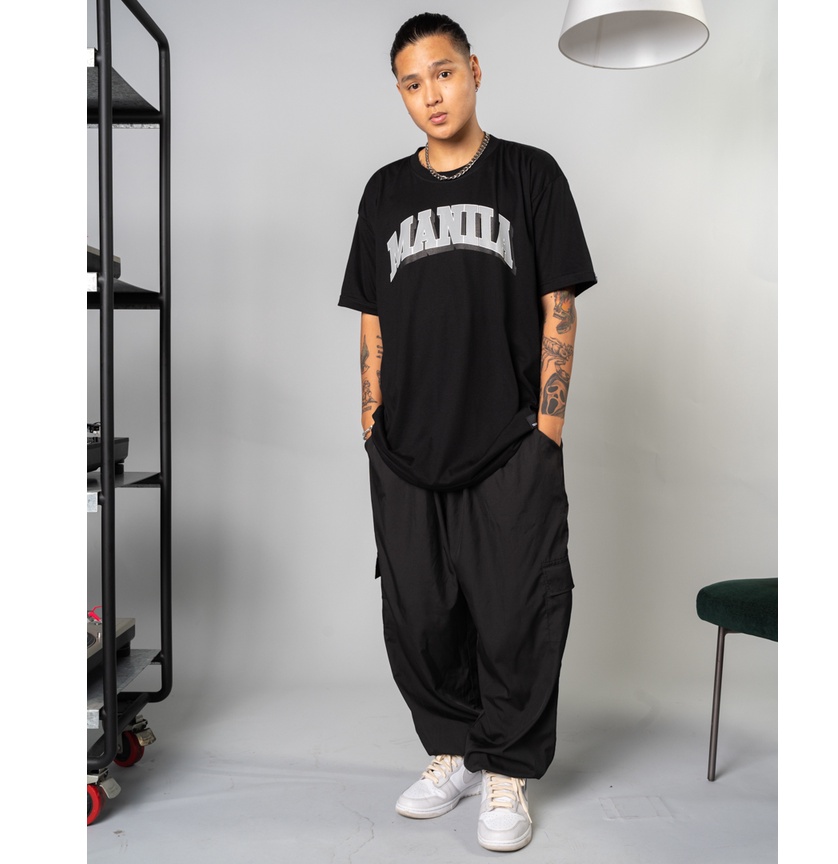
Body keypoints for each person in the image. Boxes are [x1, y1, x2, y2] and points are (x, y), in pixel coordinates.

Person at [338, 12, 596, 853]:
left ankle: (507, 770)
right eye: (412, 84)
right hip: (406, 448)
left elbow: (559, 305)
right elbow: (371, 316)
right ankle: (452, 752)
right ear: (401, 94)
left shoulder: (530, 175)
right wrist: (371, 419)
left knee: (518, 611)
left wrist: (547, 428)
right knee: (419, 612)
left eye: (443, 73)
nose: (432, 95)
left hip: (509, 442)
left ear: (475, 71)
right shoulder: (384, 192)